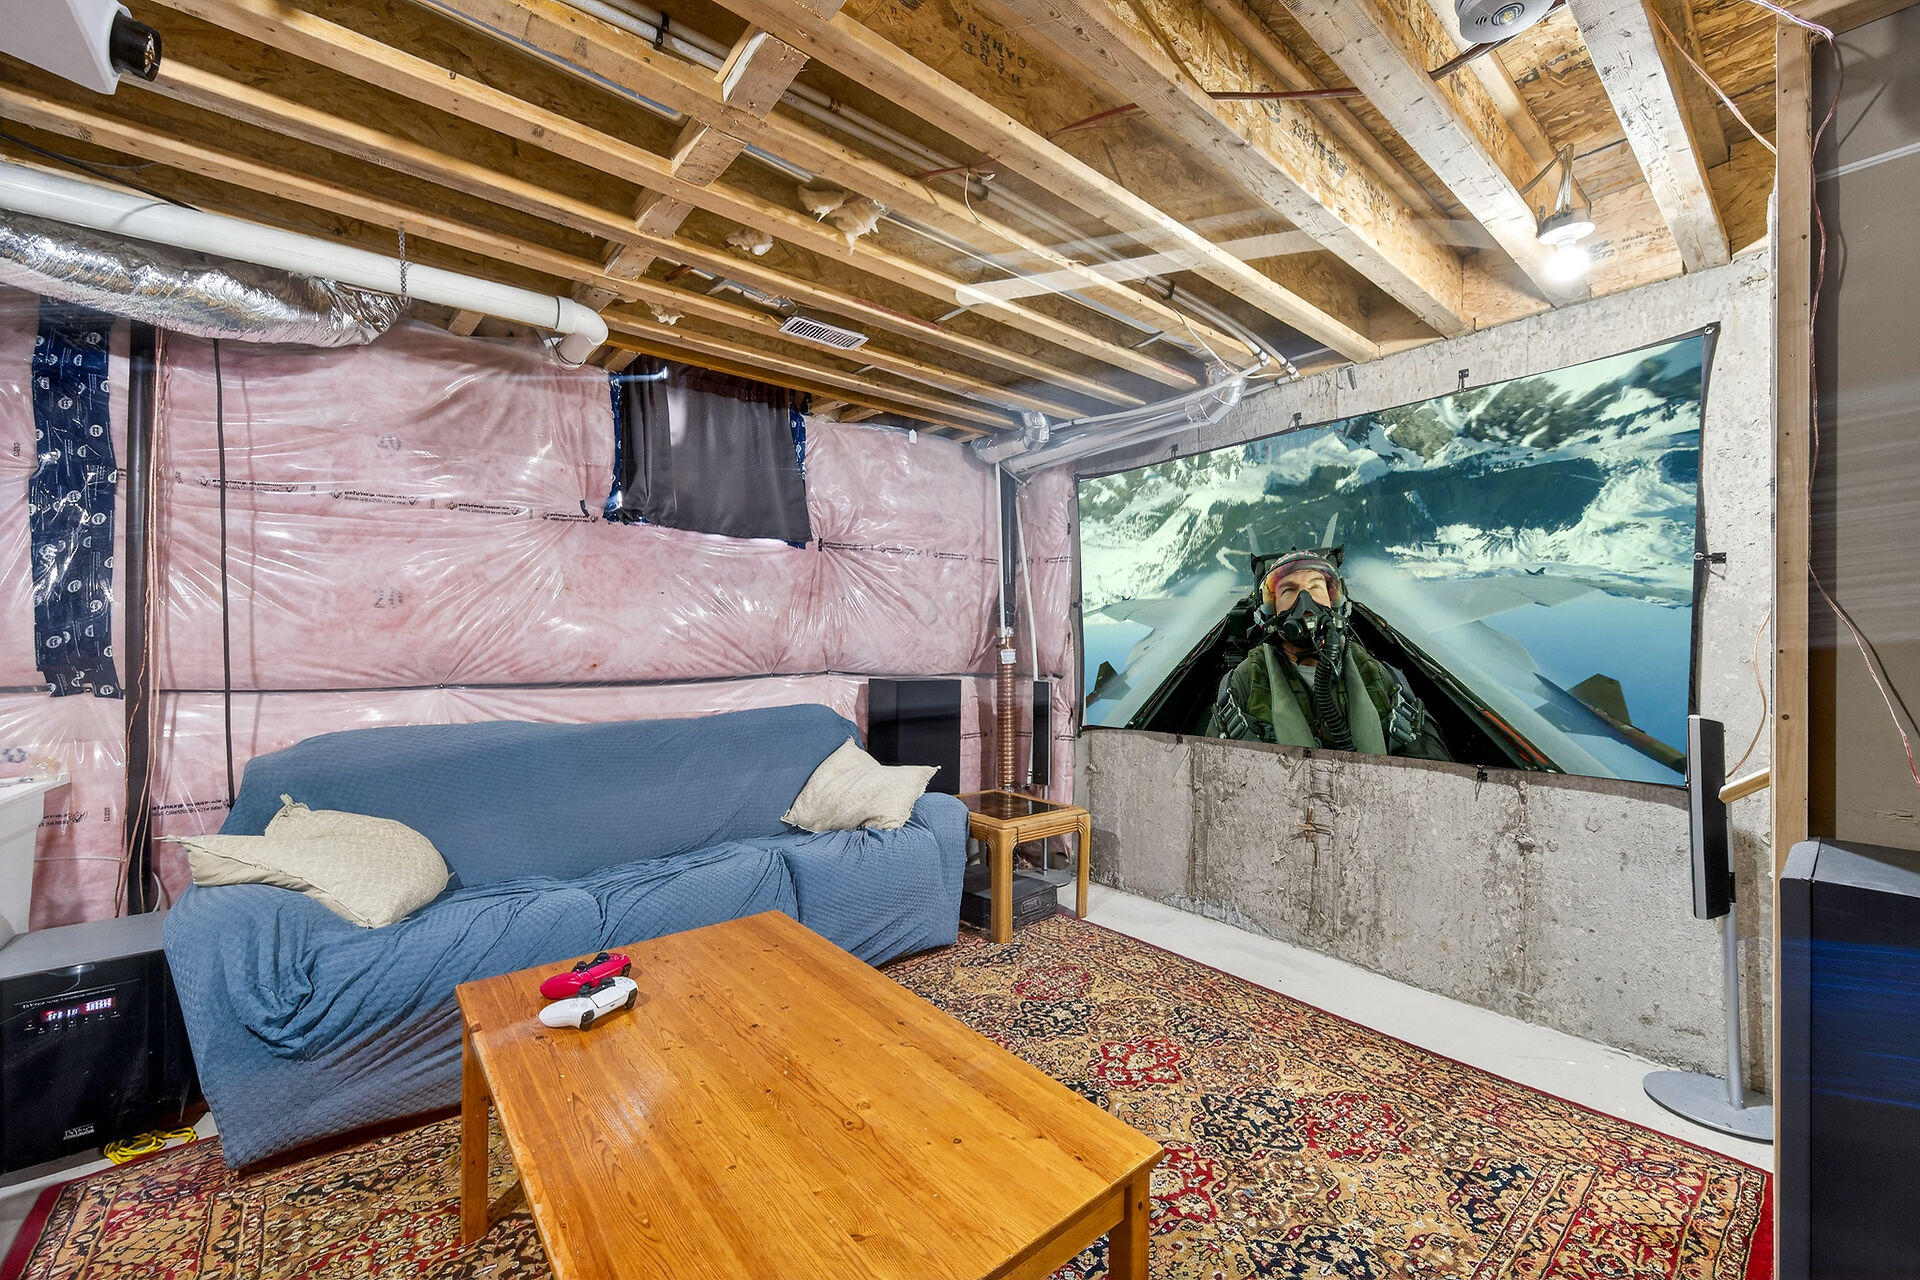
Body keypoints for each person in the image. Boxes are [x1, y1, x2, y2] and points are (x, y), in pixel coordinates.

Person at [1206, 549, 1451, 760]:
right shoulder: (1246, 680)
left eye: (1315, 586)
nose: (1306, 600)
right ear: (1270, 610)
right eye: (1289, 590)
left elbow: (1431, 771)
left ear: (1334, 601)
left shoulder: (1374, 674)